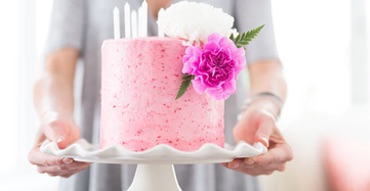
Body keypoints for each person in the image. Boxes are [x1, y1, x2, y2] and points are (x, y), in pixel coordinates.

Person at [28, 0, 293, 190]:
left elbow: (266, 64)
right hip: (108, 164)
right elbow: (56, 67)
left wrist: (264, 106)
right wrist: (54, 115)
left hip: (215, 168)